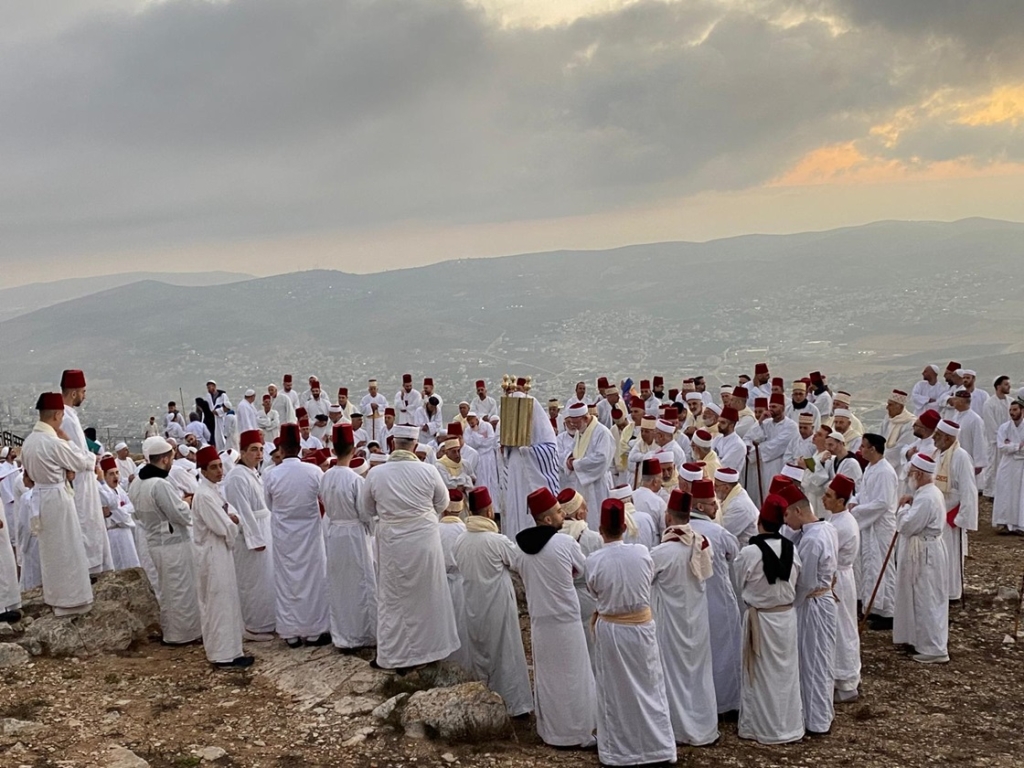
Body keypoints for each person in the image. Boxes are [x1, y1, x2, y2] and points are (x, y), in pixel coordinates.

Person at [358, 424, 460, 671]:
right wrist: (420, 516)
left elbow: (366, 510)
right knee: (428, 595)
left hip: (393, 540)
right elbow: (443, 502)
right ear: (415, 446)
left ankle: (396, 656)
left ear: (392, 443)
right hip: (424, 539)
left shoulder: (376, 474)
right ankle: (431, 651)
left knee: (394, 599)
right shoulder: (428, 471)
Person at [585, 497, 677, 766]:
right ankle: (657, 746)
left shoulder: (594, 560)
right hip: (641, 628)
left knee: (615, 690)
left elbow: (594, 590)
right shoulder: (642, 553)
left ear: (601, 529)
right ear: (624, 527)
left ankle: (621, 751)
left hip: (613, 629)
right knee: (650, 686)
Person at [514, 487, 597, 748]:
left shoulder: (520, 550)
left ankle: (551, 731)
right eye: (560, 512)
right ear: (547, 519)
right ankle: (578, 733)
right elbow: (583, 570)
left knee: (548, 678)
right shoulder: (564, 542)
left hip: (540, 621)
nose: (565, 515)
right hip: (566, 620)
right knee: (574, 677)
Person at [452, 487, 533, 717]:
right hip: (497, 604)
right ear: (489, 511)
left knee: (479, 651)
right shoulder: (496, 540)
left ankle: (482, 699)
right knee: (506, 653)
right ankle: (514, 705)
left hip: (472, 604)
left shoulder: (460, 540)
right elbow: (518, 561)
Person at [733, 493, 804, 745]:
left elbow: (737, 583)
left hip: (761, 619)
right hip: (785, 617)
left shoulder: (749, 553)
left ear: (759, 522)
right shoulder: (793, 549)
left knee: (760, 676)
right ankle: (787, 725)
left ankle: (761, 727)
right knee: (784, 674)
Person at [19, 393, 98, 619]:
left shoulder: (29, 441)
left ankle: (55, 598)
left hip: (41, 498)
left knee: (50, 551)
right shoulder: (52, 442)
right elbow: (84, 462)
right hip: (57, 497)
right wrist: (68, 440)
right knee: (68, 548)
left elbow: (30, 477)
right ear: (57, 415)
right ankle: (73, 600)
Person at [651, 488, 719, 747]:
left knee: (674, 674)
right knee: (698, 673)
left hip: (671, 622)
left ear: (668, 518)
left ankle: (679, 729)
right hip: (698, 619)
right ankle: (703, 726)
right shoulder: (701, 544)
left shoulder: (662, 553)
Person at [263, 423, 331, 648]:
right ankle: (314, 631)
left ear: (280, 448)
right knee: (313, 579)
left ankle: (290, 632)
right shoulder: (313, 471)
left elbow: (269, 504)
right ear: (300, 447)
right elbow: (324, 499)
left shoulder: (272, 475)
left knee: (287, 581)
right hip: (310, 533)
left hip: (284, 535)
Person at [129, 435, 202, 644]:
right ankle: (183, 635)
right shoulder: (159, 484)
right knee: (181, 590)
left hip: (154, 541)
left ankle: (172, 631)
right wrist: (187, 502)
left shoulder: (137, 483)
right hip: (172, 544)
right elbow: (179, 514)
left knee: (167, 589)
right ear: (164, 460)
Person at [191, 446, 253, 669]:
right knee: (218, 603)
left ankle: (232, 650)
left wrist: (231, 519)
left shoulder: (214, 491)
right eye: (213, 467)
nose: (219, 471)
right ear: (204, 471)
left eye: (219, 466)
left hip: (221, 553)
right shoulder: (204, 496)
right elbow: (224, 526)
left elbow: (231, 514)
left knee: (227, 600)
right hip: (212, 553)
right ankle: (222, 654)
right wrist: (232, 522)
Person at [317, 423, 377, 652]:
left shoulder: (326, 477)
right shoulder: (355, 480)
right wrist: (370, 529)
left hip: (335, 533)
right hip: (353, 534)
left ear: (333, 449)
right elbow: (364, 513)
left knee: (340, 584)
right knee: (361, 583)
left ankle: (342, 635)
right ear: (353, 450)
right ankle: (362, 634)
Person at [688, 478, 742, 716]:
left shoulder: (682, 531)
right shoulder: (719, 532)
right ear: (700, 507)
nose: (716, 507)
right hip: (719, 599)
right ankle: (726, 703)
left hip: (692, 602)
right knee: (725, 651)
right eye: (712, 504)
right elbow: (735, 555)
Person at [893, 453, 950, 663]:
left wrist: (904, 508)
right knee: (918, 596)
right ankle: (917, 639)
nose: (909, 478)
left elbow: (908, 525)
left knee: (927, 598)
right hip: (924, 549)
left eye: (910, 474)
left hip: (925, 553)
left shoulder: (927, 496)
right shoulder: (926, 493)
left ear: (918, 473)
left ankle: (934, 648)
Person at [222, 430, 276, 640]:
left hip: (264, 527)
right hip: (251, 535)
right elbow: (241, 510)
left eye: (261, 449)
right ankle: (253, 626)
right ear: (242, 452)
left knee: (265, 578)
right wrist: (255, 538)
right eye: (254, 450)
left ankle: (267, 620)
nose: (259, 454)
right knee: (252, 581)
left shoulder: (254, 474)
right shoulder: (236, 477)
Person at [59, 369, 113, 574]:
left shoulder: (70, 416)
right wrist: (92, 459)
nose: (85, 395)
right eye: (83, 391)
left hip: (86, 480)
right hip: (80, 483)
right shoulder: (66, 418)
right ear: (73, 393)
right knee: (86, 526)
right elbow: (74, 454)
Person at [850, 433, 899, 630]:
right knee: (871, 565)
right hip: (870, 524)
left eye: (863, 447)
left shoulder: (885, 472)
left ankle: (889, 611)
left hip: (881, 526)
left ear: (873, 449)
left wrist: (858, 511)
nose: (861, 450)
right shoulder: (871, 468)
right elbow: (864, 492)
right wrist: (855, 500)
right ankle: (875, 606)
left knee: (883, 567)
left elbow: (883, 502)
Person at [501, 379, 560, 540]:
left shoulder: (536, 412)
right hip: (515, 468)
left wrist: (527, 452)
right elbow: (504, 445)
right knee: (515, 507)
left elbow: (550, 448)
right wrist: (506, 448)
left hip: (532, 473)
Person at [930, 419, 978, 602]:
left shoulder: (961, 457)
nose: (934, 438)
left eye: (938, 435)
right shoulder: (937, 454)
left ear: (949, 438)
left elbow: (968, 490)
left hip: (951, 516)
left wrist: (960, 518)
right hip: (936, 513)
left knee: (951, 556)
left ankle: (952, 593)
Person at [824, 474, 861, 703]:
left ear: (841, 500)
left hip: (839, 578)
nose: (823, 499)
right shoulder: (835, 519)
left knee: (842, 628)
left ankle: (846, 681)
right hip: (838, 576)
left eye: (828, 496)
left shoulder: (843, 524)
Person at [438, 489, 471, 670]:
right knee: (463, 625)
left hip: (440, 583)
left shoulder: (434, 529)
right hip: (462, 582)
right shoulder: (466, 530)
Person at [97, 457, 141, 570]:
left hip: (126, 532)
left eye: (117, 473)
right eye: (111, 474)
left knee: (131, 564)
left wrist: (114, 512)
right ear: (105, 476)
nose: (116, 476)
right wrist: (117, 513)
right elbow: (114, 511)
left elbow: (131, 506)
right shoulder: (104, 492)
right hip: (112, 534)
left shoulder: (119, 489)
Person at [993, 392, 1024, 532]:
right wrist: (1017, 446)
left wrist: (1011, 446)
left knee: (1020, 494)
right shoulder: (1004, 427)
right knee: (1005, 491)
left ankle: (1020, 524)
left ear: (1022, 410)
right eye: (1010, 410)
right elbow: (1001, 447)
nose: (1012, 413)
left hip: (1021, 465)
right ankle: (1004, 522)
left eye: (1015, 410)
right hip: (1007, 463)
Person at [981, 376, 1012, 499]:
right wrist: (1002, 439)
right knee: (994, 467)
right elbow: (991, 424)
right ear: (998, 386)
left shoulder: (1010, 401)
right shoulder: (989, 404)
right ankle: (991, 493)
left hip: (1010, 442)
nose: (1009, 386)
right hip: (995, 443)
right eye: (1006, 384)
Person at [713, 467, 758, 546]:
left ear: (726, 488)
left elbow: (721, 533)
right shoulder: (733, 494)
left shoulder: (740, 506)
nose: (714, 488)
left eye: (716, 485)